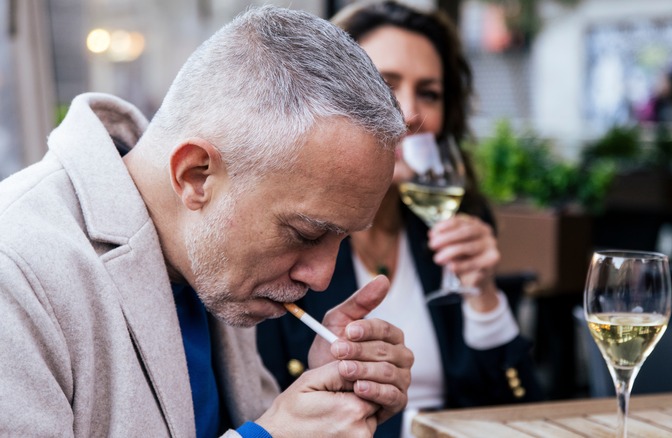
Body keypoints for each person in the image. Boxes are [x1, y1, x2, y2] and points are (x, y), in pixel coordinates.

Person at [0, 5, 414, 437]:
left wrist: (326, 402)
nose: (323, 277)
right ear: (195, 175)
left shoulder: (205, 254)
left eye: (342, 239)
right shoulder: (15, 270)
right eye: (306, 233)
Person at [256, 1, 544, 437]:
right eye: (384, 85)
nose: (410, 115)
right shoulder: (290, 234)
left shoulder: (452, 223)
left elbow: (516, 413)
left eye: (429, 93)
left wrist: (483, 296)